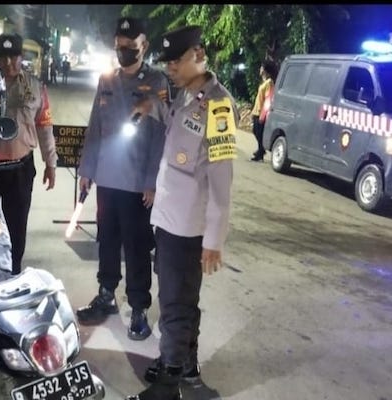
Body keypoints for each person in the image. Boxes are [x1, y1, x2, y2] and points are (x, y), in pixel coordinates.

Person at [126, 25, 238, 400]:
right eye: (168, 62)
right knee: (180, 299)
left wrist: (214, 240)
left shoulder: (218, 106)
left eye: (176, 61)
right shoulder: (184, 95)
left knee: (175, 305)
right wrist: (150, 107)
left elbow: (221, 179)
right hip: (168, 218)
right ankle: (185, 367)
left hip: (188, 227)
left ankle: (168, 385)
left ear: (198, 55)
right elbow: (174, 121)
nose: (170, 68)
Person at [76, 17, 169, 341]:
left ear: (144, 46)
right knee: (107, 240)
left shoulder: (156, 82)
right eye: (119, 46)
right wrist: (86, 170)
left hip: (136, 184)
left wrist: (152, 181)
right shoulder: (107, 80)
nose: (123, 51)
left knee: (137, 246)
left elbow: (160, 136)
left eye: (130, 47)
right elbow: (95, 127)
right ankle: (106, 295)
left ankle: (139, 307)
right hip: (107, 178)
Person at [0, 32, 57, 275]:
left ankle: (13, 273)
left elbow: (44, 126)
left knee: (17, 228)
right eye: (2, 57)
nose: (8, 63)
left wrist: (51, 163)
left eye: (13, 57)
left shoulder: (35, 87)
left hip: (20, 168)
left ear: (21, 57)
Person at [250, 60, 277, 162]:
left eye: (262, 68)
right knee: (256, 131)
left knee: (259, 132)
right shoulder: (264, 82)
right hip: (257, 110)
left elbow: (268, 99)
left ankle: (260, 151)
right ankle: (261, 150)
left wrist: (263, 114)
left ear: (265, 70)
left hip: (261, 112)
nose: (260, 69)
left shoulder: (269, 83)